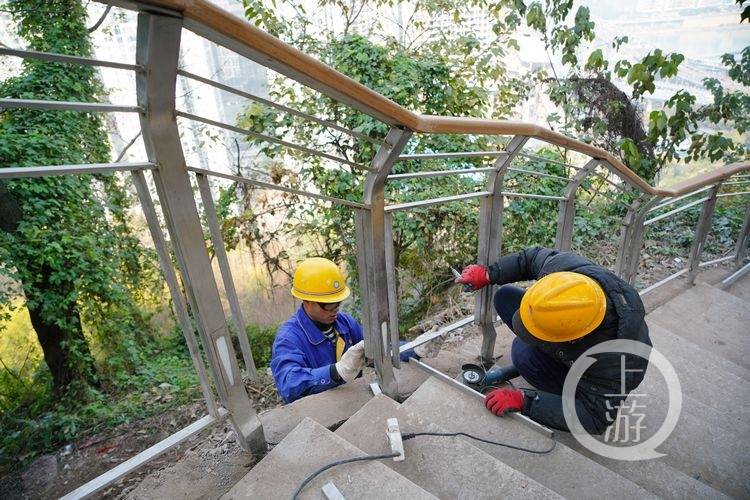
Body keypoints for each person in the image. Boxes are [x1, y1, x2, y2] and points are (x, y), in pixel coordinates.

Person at [456, 247, 651, 434]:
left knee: (523, 354)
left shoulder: (617, 360)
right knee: (505, 297)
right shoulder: (568, 273)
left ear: (575, 337)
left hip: (583, 375)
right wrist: (489, 273)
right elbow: (531, 258)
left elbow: (595, 418)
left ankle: (544, 372)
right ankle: (538, 356)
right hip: (576, 347)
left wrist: (526, 401)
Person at [271, 257, 443, 404]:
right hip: (319, 412)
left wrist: (414, 348)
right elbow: (288, 384)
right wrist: (337, 371)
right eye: (329, 304)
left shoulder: (344, 322)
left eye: (338, 302)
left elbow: (376, 348)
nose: (335, 309)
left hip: (353, 401)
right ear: (306, 300)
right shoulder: (288, 338)